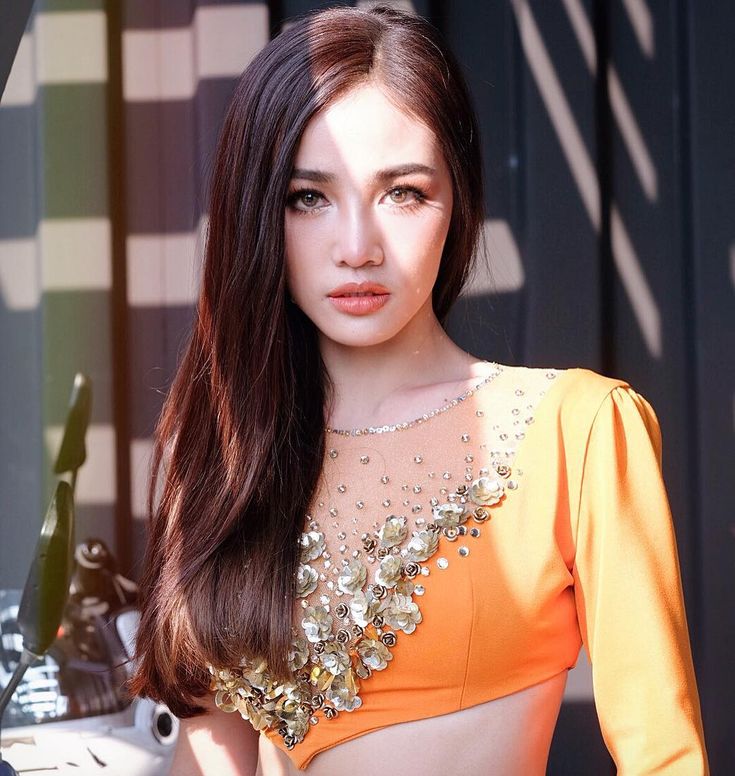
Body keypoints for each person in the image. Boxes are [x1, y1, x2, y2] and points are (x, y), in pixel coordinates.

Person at [127, 5, 709, 774]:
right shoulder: (222, 450)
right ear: (257, 212)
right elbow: (212, 743)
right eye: (309, 197)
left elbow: (662, 754)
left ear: (456, 203)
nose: (357, 248)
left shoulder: (575, 429)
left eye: (401, 192)